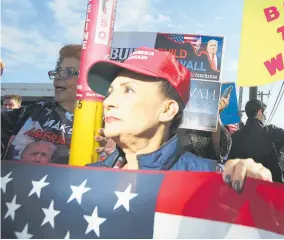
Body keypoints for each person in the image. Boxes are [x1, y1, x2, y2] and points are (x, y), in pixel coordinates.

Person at [86, 47, 272, 191]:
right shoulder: (84, 178)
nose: (108, 102)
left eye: (128, 90)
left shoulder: (210, 179)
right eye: (110, 92)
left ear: (168, 110)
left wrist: (254, 184)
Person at [1, 44, 80, 162]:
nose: (58, 76)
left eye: (68, 72)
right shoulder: (31, 112)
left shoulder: (104, 124)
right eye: (58, 70)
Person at [229, 99, 284, 184]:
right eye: (264, 113)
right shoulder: (270, 131)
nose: (265, 117)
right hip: (269, 187)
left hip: (244, 188)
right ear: (259, 112)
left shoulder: (235, 137)